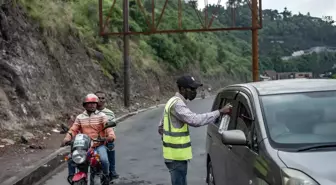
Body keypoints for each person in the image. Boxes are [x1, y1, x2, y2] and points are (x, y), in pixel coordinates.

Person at [158, 75, 232, 185]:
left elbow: (161, 127)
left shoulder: (171, 101)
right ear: (182, 89)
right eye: (192, 89)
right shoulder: (178, 104)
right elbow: (195, 120)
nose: (194, 92)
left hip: (173, 156)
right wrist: (219, 112)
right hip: (176, 157)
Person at [61, 93, 116, 185]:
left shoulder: (102, 116)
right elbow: (73, 129)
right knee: (71, 158)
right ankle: (71, 176)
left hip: (98, 145)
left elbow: (108, 128)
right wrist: (67, 138)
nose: (92, 105)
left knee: (104, 160)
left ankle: (105, 177)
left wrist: (110, 136)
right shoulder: (80, 117)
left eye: (94, 103)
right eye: (89, 103)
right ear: (85, 105)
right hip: (84, 146)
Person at [95, 91, 120, 180]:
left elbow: (113, 128)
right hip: (92, 139)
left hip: (105, 139)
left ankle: (112, 170)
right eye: (98, 98)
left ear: (105, 100)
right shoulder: (90, 112)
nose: (100, 100)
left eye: (103, 98)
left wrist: (108, 137)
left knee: (110, 145)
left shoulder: (109, 113)